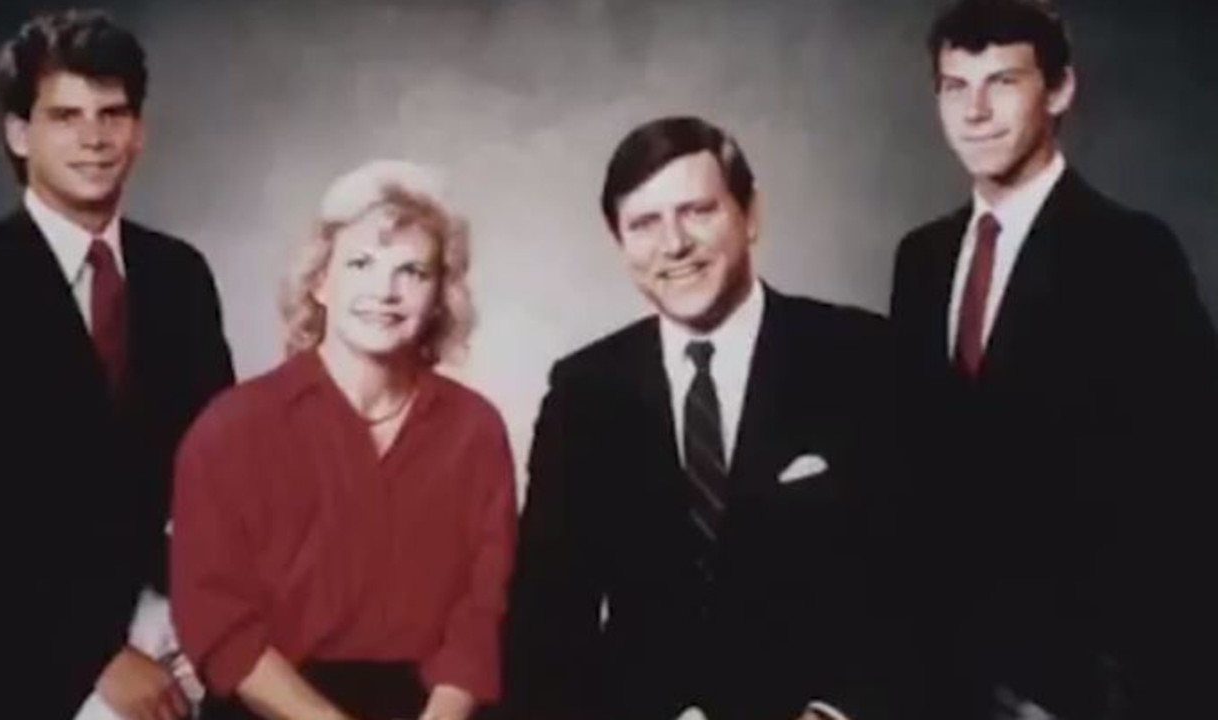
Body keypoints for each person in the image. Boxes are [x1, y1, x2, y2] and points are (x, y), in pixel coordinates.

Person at [502, 116, 899, 720]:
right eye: (644, 224)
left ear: (751, 214)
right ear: (620, 243)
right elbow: (546, 622)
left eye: (697, 211)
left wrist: (840, 712)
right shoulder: (584, 391)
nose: (674, 244)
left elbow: (922, 583)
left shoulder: (861, 357)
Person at [888, 1, 1218, 718]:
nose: (975, 111)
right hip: (942, 677)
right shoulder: (922, 259)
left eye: (1002, 82)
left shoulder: (1130, 253)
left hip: (1083, 681)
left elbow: (1181, 491)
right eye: (954, 86)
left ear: (1060, 90)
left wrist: (1108, 693)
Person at [0, 8, 235, 719]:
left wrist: (214, 617)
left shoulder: (178, 275)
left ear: (139, 131)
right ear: (19, 133)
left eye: (113, 114)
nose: (94, 138)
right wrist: (93, 652)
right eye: (65, 115)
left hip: (178, 622)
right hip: (29, 652)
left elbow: (221, 473)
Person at [171, 159, 517, 720]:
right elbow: (217, 621)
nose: (386, 290)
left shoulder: (475, 431)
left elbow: (481, 615)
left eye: (414, 271)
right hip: (276, 707)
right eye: (361, 263)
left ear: (439, 297)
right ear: (320, 282)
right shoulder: (232, 429)